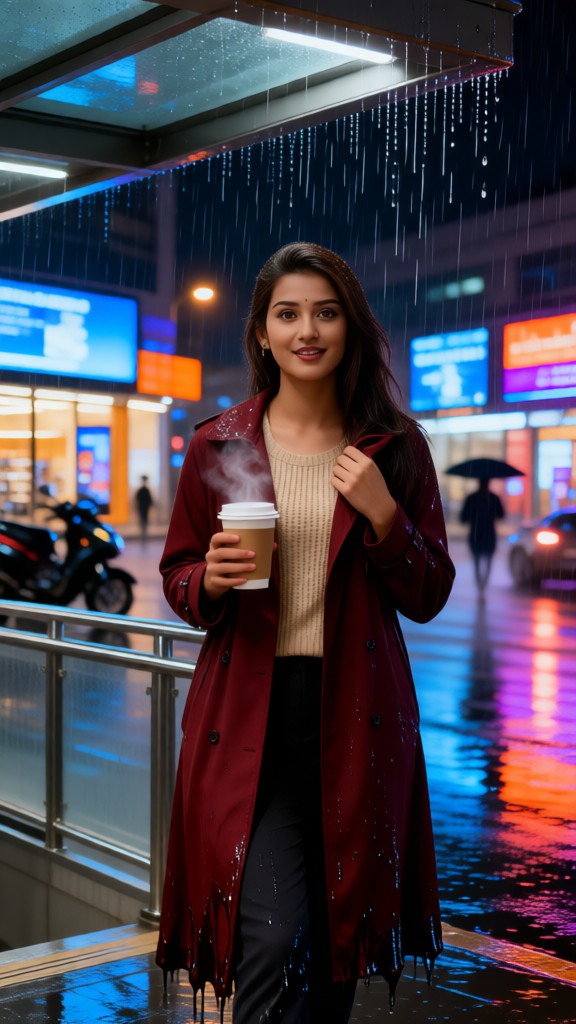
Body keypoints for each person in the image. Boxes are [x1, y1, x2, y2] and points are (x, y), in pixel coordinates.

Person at [156, 242, 455, 1022]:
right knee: (268, 935)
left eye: (326, 313)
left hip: (358, 716)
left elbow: (429, 593)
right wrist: (208, 581)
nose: (307, 331)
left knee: (334, 937)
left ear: (350, 327)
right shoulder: (217, 445)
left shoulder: (395, 448)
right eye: (287, 314)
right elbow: (177, 574)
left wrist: (386, 519)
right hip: (246, 719)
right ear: (262, 332)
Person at [459, 478, 505, 593]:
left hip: (476, 534)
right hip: (488, 535)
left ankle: (481, 588)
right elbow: (501, 515)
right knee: (486, 562)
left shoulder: (472, 498)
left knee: (477, 562)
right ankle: (482, 587)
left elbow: (463, 517)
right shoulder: (493, 498)